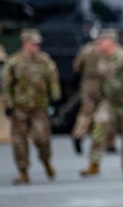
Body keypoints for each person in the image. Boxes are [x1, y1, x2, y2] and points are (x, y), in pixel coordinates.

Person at [80, 29, 123, 181]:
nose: (99, 45)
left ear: (110, 41)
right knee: (98, 128)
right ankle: (94, 163)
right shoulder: (102, 59)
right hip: (108, 102)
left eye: (101, 42)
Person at [1, 28, 61, 185]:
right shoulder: (14, 61)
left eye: (38, 44)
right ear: (25, 43)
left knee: (43, 139)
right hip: (20, 109)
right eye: (34, 44)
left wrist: (55, 101)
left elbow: (53, 81)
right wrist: (8, 104)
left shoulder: (45, 61)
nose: (36, 47)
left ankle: (46, 161)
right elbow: (6, 85)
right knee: (19, 142)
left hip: (39, 108)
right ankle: (23, 171)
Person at [70, 38, 101, 155]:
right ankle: (107, 142)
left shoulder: (85, 50)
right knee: (104, 111)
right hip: (101, 82)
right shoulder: (103, 50)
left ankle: (78, 134)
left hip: (87, 82)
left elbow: (77, 66)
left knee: (86, 111)